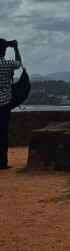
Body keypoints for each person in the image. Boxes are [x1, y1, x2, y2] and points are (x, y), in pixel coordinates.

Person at [0, 38, 22, 170]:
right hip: (5, 104)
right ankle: (2, 163)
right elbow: (19, 63)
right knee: (3, 134)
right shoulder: (8, 65)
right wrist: (15, 48)